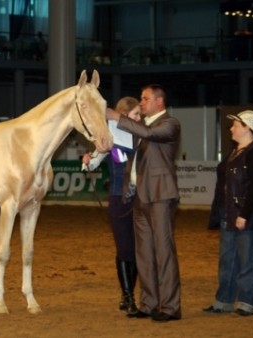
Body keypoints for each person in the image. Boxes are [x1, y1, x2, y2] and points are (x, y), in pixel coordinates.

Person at [106, 84, 182, 322]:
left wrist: (115, 115)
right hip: (140, 196)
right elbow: (128, 156)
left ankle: (170, 307)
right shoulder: (144, 127)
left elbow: (148, 135)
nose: (141, 103)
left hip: (160, 195)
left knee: (163, 251)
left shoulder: (169, 124)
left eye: (145, 99)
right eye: (141, 98)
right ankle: (148, 304)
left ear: (159, 102)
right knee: (144, 253)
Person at [203, 110, 253, 316]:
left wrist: (245, 215)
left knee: (247, 259)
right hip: (228, 212)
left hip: (243, 215)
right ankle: (224, 300)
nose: (231, 128)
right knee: (228, 259)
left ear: (247, 128)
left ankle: (247, 302)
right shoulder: (236, 152)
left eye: (235, 125)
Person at [82, 97, 141, 315]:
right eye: (135, 114)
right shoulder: (109, 133)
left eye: (139, 115)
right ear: (124, 114)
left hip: (140, 199)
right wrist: (88, 159)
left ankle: (128, 295)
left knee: (134, 249)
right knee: (125, 247)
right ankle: (128, 297)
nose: (139, 118)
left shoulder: (141, 135)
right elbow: (95, 160)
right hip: (119, 198)